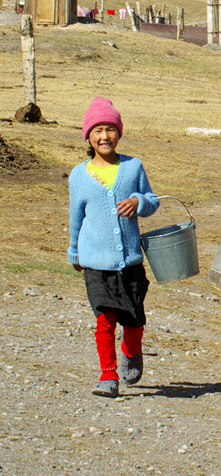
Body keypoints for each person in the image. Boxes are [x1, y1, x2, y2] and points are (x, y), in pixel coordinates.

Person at [67, 97, 160, 398]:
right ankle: (107, 375)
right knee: (104, 321)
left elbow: (153, 201)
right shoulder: (79, 175)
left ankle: (132, 351)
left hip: (130, 261)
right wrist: (74, 251)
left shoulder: (133, 167)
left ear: (118, 133)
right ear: (88, 136)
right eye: (97, 130)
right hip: (96, 262)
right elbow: (75, 217)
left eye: (110, 129)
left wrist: (138, 202)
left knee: (134, 322)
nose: (104, 136)